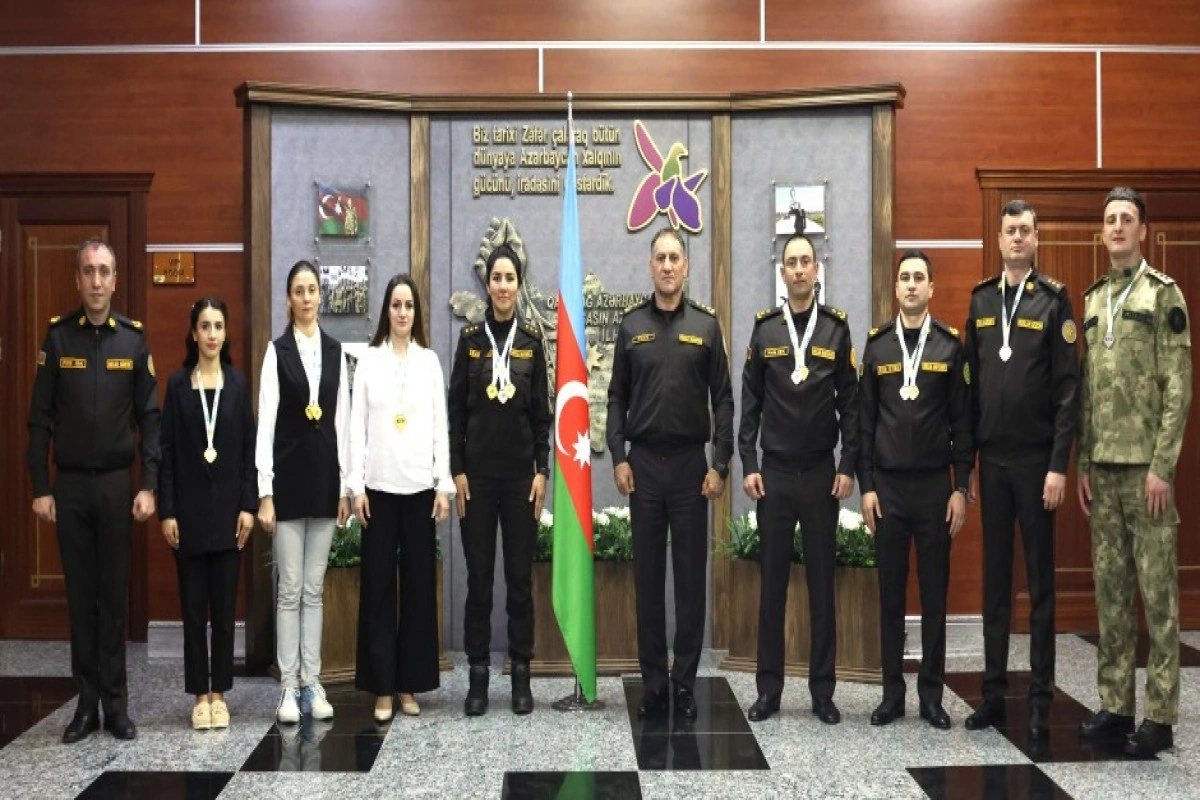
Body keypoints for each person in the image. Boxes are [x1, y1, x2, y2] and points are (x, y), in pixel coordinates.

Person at [27, 237, 160, 744]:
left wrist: (149, 485)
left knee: (113, 598)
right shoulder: (59, 339)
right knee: (81, 598)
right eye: (89, 271)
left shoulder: (133, 340)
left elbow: (150, 419)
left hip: (116, 486)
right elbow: (39, 419)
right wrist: (41, 486)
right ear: (78, 279)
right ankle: (85, 705)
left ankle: (116, 705)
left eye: (105, 271)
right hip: (71, 487)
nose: (97, 280)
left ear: (116, 279)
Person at [1076, 187, 1192, 757]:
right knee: (1112, 596)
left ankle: (1160, 715)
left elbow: (1178, 387)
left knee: (1158, 596)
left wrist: (1162, 466)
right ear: (1102, 232)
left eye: (1127, 219)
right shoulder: (1094, 299)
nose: (1118, 227)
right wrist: (1082, 460)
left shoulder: (1163, 294)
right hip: (1103, 472)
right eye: (1110, 220)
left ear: (1143, 230)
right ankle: (1116, 706)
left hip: (1147, 474)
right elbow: (1087, 390)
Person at [606, 227, 734, 719]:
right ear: (650, 266)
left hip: (689, 469)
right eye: (659, 257)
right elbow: (616, 397)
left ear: (686, 267)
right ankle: (655, 685)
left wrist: (719, 463)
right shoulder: (630, 325)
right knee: (648, 581)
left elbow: (724, 400)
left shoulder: (706, 326)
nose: (666, 265)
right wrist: (618, 455)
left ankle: (683, 685)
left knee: (689, 583)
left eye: (674, 257)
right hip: (642, 468)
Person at [963, 199, 1079, 738]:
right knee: (995, 584)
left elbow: (1067, 389)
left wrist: (1059, 465)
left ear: (1036, 239)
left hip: (1036, 463)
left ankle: (1039, 700)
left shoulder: (1054, 300)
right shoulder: (981, 299)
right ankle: (992, 695)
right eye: (1009, 229)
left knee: (1039, 584)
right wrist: (967, 463)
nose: (1016, 238)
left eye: (1025, 230)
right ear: (999, 237)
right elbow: (969, 387)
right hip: (993, 461)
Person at [738, 233, 859, 724]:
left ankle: (822, 693)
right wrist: (748, 464)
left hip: (820, 476)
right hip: (774, 476)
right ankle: (768, 691)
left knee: (821, 588)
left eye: (807, 261)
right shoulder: (764, 329)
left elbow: (851, 405)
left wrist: (848, 465)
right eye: (792, 262)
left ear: (817, 269)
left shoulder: (836, 329)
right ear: (782, 272)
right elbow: (750, 402)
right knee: (772, 588)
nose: (800, 269)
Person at [858, 250, 972, 731]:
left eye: (918, 277)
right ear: (896, 287)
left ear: (930, 288)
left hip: (933, 489)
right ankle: (891, 694)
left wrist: (961, 487)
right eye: (904, 277)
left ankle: (931, 696)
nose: (910, 284)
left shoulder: (949, 345)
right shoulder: (877, 346)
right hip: (888, 489)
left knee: (934, 595)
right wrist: (866, 487)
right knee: (890, 594)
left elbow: (963, 423)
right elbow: (864, 425)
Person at [448, 245, 551, 717]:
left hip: (520, 482)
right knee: (479, 582)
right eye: (497, 278)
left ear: (519, 284)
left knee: (519, 581)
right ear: (487, 285)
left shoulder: (532, 342)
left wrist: (542, 471)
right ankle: (478, 677)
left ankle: (521, 675)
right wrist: (457, 470)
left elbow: (542, 416)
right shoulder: (470, 340)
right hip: (477, 481)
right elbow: (455, 411)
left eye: (510, 278)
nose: (503, 286)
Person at [349, 273, 453, 722]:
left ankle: (409, 684)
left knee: (417, 589)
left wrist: (443, 483)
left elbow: (440, 425)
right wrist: (355, 485)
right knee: (376, 589)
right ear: (386, 311)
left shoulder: (429, 361)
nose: (403, 312)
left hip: (419, 492)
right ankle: (382, 688)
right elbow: (355, 427)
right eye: (396, 304)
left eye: (409, 305)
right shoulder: (368, 360)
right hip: (377, 491)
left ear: (417, 312)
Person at [256, 260, 350, 724]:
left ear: (321, 296)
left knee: (314, 589)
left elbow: (342, 421)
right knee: (290, 590)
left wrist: (347, 486)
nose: (307, 298)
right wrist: (265, 491)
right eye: (299, 291)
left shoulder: (335, 351)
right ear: (289, 299)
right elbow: (266, 423)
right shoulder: (277, 352)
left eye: (312, 290)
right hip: (288, 484)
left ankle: (313, 682)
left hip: (325, 482)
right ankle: (288, 688)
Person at [159, 297, 257, 730]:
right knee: (194, 612)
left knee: (224, 611)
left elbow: (249, 452)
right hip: (189, 516)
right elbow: (165, 452)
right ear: (193, 333)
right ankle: (200, 694)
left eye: (218, 325)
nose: (212, 334)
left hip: (229, 517)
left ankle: (221, 693)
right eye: (205, 326)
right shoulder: (179, 385)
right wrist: (167, 511)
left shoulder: (237, 384)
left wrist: (249, 506)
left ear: (225, 332)